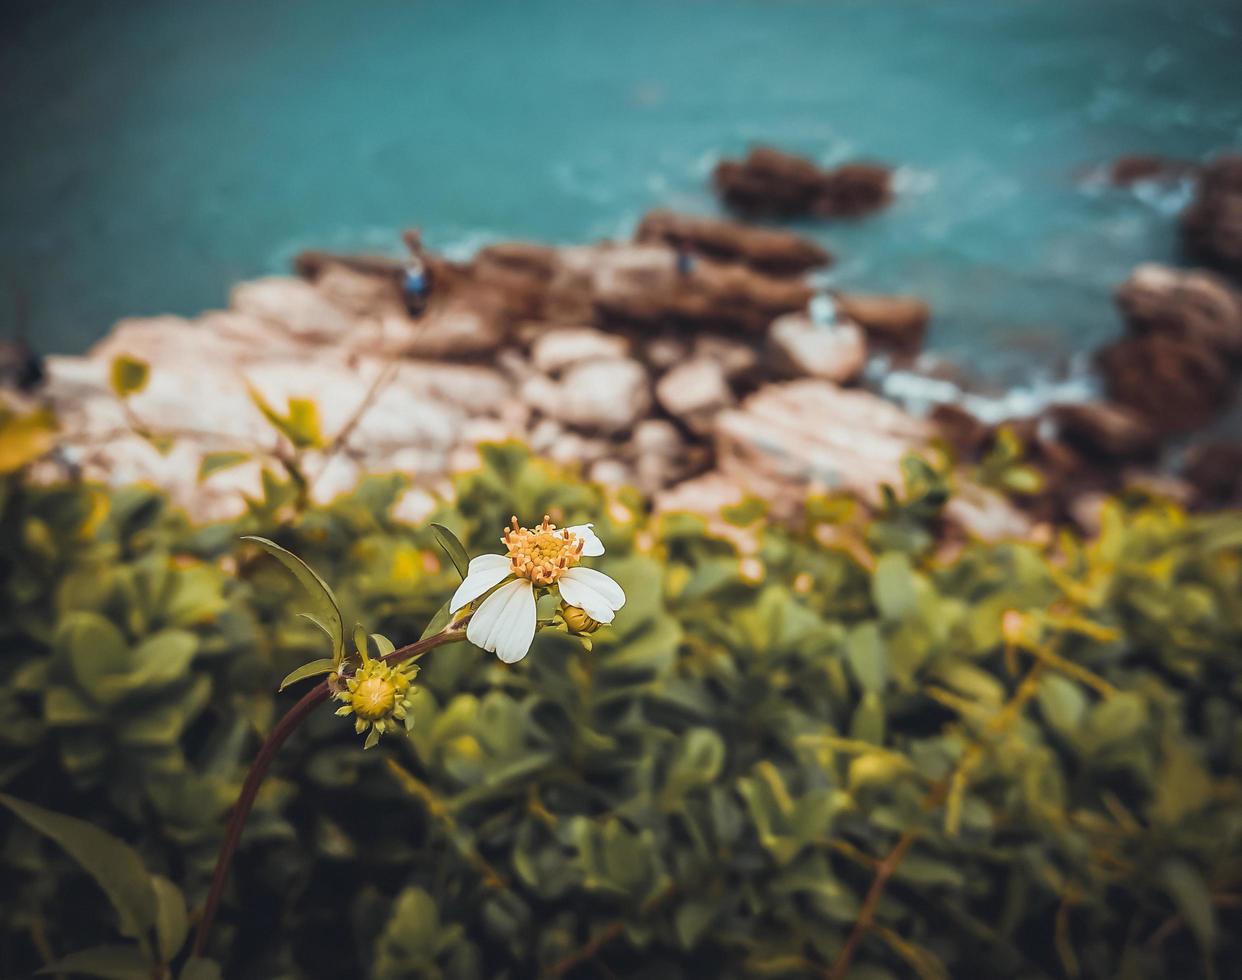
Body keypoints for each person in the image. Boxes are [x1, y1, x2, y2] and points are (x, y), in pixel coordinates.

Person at [400, 230, 434, 318]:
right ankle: (417, 311)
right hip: (415, 278)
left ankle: (418, 311)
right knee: (416, 294)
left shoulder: (414, 257)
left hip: (415, 278)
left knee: (416, 294)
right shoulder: (414, 257)